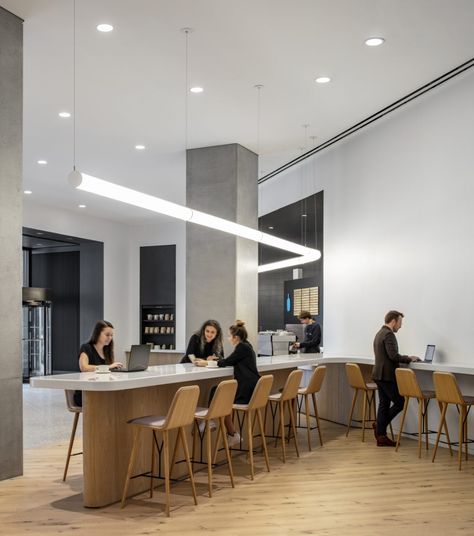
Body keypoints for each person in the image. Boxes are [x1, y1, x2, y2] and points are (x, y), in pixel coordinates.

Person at [195, 320, 260, 447]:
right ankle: (231, 433)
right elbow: (231, 360)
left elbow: (227, 362)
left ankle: (211, 421)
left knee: (217, 391)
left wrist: (206, 363)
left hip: (246, 392)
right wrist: (217, 360)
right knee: (222, 396)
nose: (229, 338)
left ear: (236, 337)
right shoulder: (247, 345)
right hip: (252, 389)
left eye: (230, 336)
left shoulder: (241, 347)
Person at [373, 310, 419, 447]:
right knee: (400, 402)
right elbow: (393, 356)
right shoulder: (388, 334)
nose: (401, 326)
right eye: (400, 322)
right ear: (393, 321)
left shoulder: (379, 333)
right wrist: (409, 358)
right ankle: (380, 427)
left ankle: (381, 435)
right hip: (386, 375)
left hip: (378, 375)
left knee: (384, 404)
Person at [73, 320, 123, 406]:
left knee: (122, 398)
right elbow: (84, 368)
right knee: (116, 401)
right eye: (107, 335)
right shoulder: (86, 348)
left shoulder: (107, 351)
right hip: (86, 393)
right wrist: (107, 367)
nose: (110, 338)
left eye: (111, 335)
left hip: (102, 390)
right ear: (97, 334)